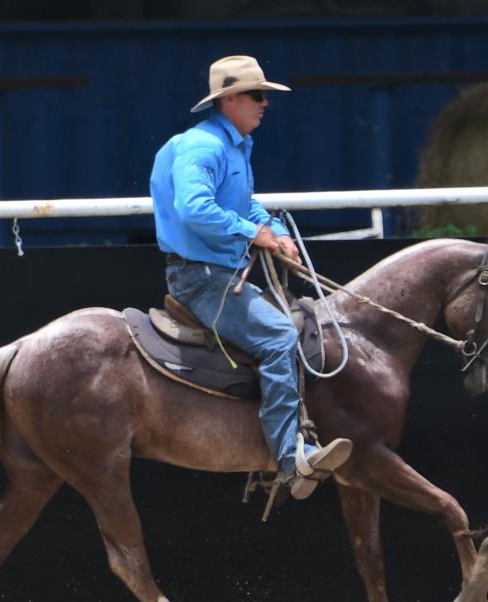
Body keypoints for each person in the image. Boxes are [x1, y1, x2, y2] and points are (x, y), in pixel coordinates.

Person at [150, 55, 351, 499]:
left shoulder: (232, 146)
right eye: (257, 95)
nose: (265, 103)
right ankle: (289, 459)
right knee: (279, 336)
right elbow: (195, 209)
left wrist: (274, 231)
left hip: (217, 272)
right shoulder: (204, 148)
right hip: (202, 279)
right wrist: (251, 233)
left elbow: (244, 205)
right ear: (230, 100)